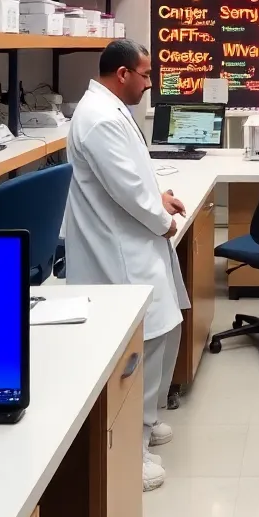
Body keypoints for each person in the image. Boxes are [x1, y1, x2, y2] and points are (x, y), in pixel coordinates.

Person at [62, 38, 189, 492]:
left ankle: (147, 420)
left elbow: (132, 176)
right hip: (119, 249)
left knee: (165, 327)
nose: (150, 84)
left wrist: (160, 199)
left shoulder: (111, 110)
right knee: (144, 341)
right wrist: (161, 220)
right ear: (122, 74)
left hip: (135, 239)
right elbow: (129, 192)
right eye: (146, 75)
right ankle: (129, 451)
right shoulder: (98, 120)